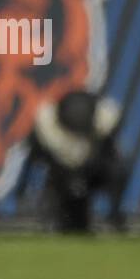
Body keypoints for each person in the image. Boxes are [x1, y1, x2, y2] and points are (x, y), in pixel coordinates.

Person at [15, 90, 128, 233]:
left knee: (118, 168)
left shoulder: (106, 118)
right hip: (60, 177)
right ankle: (55, 217)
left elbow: (110, 155)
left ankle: (114, 217)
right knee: (72, 225)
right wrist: (22, 187)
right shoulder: (46, 124)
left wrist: (85, 174)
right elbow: (33, 158)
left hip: (94, 172)